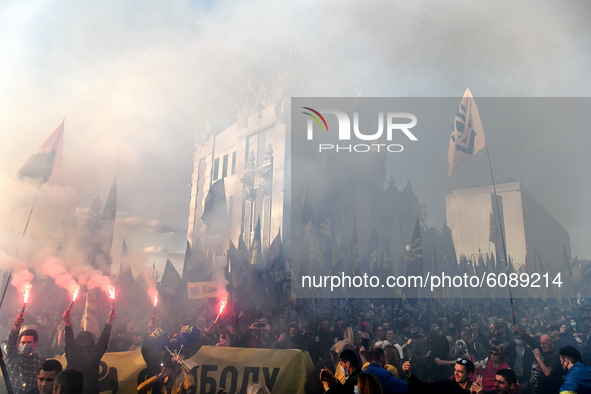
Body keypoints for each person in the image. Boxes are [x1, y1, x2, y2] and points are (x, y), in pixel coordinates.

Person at [62, 306, 116, 394]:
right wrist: (109, 323)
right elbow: (103, 342)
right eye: (82, 342)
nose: (84, 345)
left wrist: (67, 324)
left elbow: (69, 342)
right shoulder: (92, 353)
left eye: (85, 342)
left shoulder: (74, 353)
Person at [6, 313, 46, 394]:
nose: (25, 345)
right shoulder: (13, 358)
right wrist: (16, 327)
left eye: (29, 342)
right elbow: (11, 345)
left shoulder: (41, 362)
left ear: (35, 343)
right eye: (23, 342)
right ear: (19, 343)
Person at [403, 356, 475, 394]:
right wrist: (409, 374)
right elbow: (424, 388)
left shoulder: (476, 390)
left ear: (469, 374)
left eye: (459, 371)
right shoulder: (448, 386)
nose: (455, 373)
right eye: (455, 370)